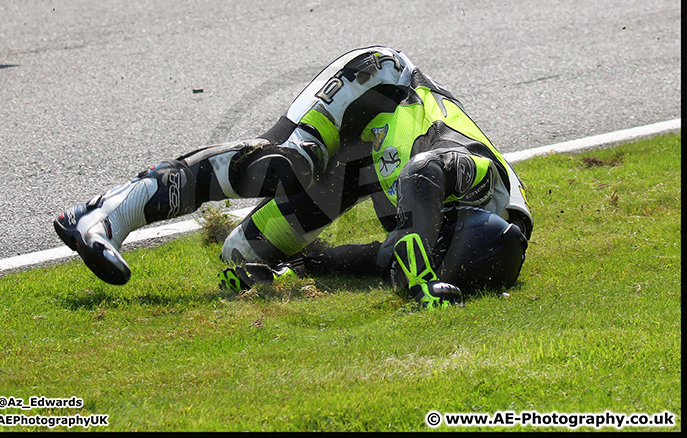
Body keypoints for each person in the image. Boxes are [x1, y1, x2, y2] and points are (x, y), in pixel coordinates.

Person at [54, 46, 533, 309]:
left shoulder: (470, 242)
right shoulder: (486, 184)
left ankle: (116, 208)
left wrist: (308, 267)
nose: (423, 247)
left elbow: (387, 254)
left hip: (371, 167)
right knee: (288, 164)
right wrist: (420, 274)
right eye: (433, 246)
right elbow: (424, 174)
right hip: (379, 88)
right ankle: (113, 210)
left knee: (243, 253)